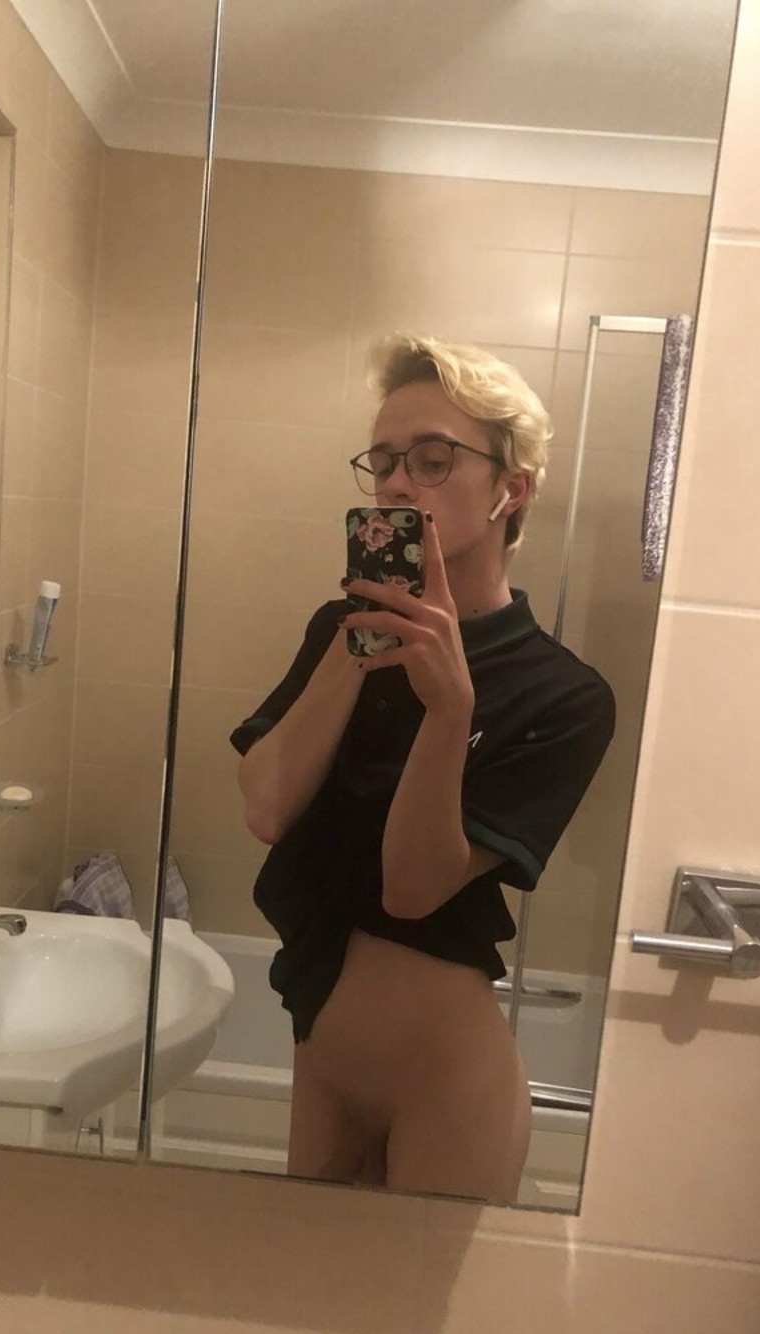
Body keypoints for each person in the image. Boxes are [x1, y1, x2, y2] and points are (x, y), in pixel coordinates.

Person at [229, 335, 615, 1202]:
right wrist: (362, 639)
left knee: (408, 1299)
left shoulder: (566, 695)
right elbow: (267, 806)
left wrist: (450, 710)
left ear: (511, 489)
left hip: (448, 1082)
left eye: (433, 459)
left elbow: (411, 887)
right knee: (305, 1283)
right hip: (321, 1050)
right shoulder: (338, 632)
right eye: (384, 461)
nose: (398, 484)